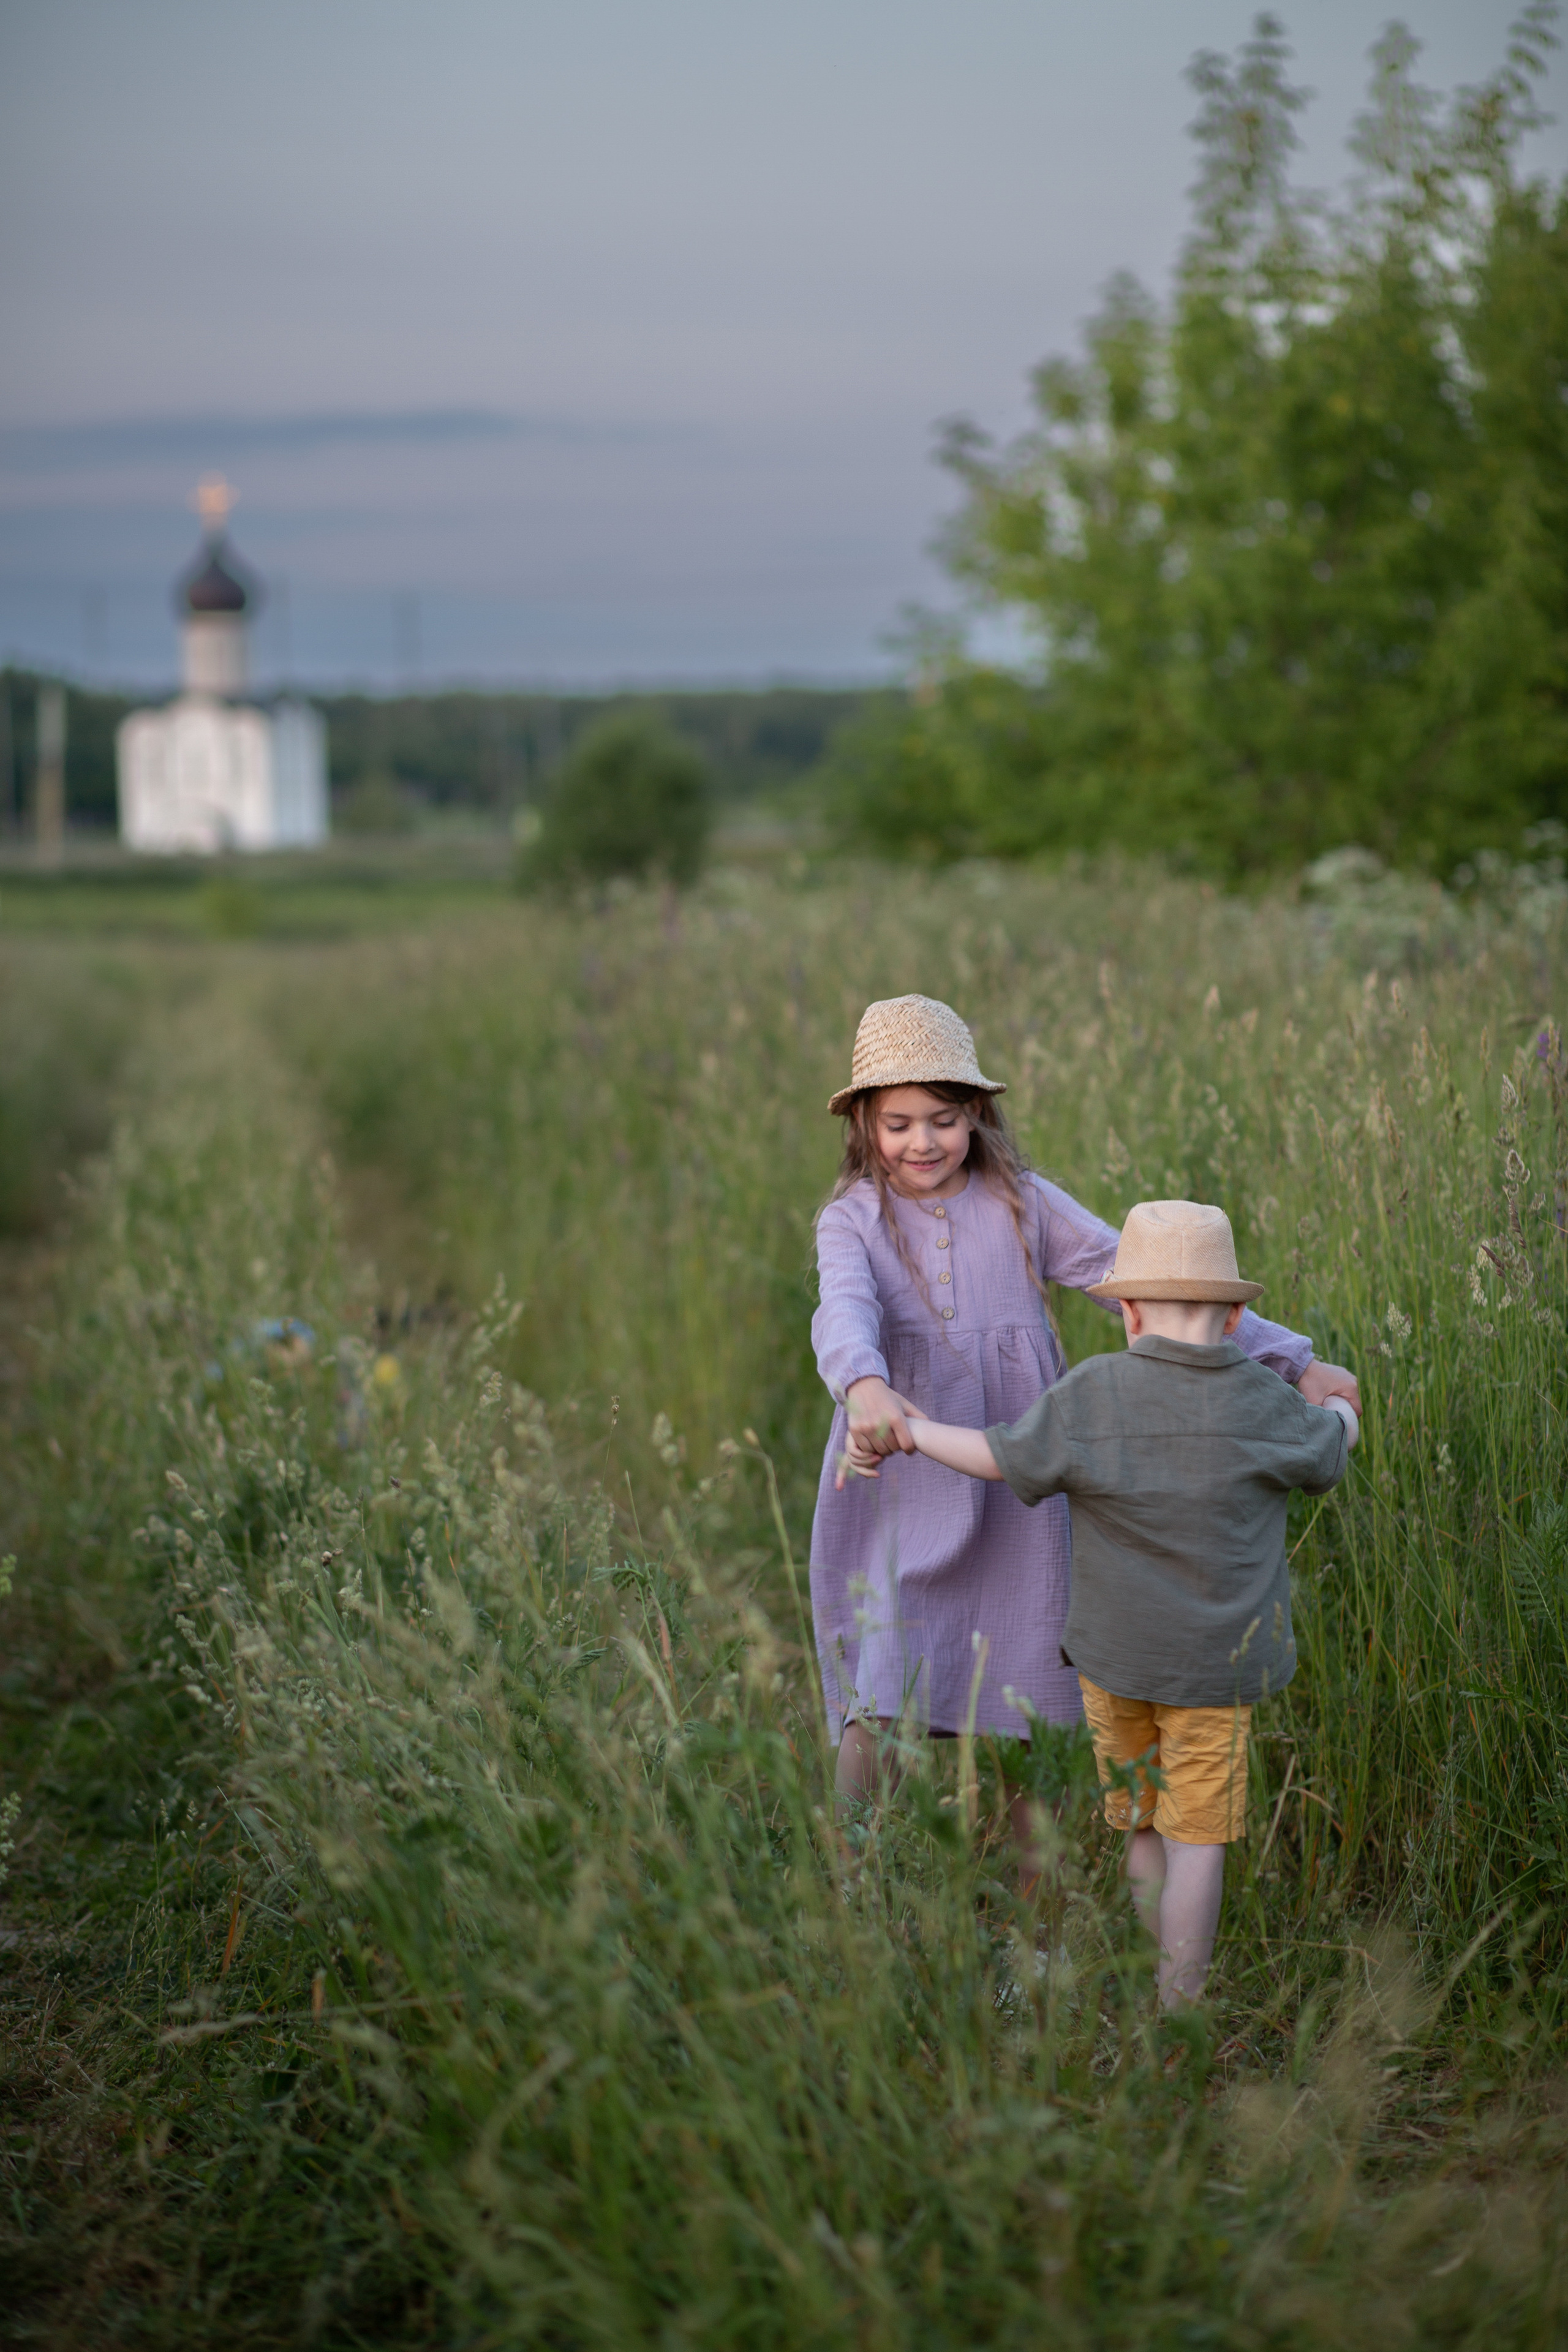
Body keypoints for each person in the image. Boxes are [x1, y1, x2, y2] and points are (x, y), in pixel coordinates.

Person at [810, 994, 1361, 1842]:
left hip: (1026, 1477)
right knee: (886, 1680)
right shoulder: (852, 1221)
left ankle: (1038, 1923)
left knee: (1033, 1690)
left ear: (977, 1116)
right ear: (864, 1128)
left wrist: (1290, 1358)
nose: (923, 1142)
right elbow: (841, 1311)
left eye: (944, 1120)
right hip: (906, 1466)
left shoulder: (1022, 1201)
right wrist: (863, 1387)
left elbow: (1139, 1274)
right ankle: (846, 1876)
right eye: (899, 1124)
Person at [843, 1197, 1359, 2007]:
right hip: (1214, 1674)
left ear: (1125, 1312)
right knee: (1200, 1843)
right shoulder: (1265, 1404)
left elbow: (994, 1456)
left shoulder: (1092, 1397)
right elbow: (1330, 1452)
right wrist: (1341, 1407)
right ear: (1233, 1321)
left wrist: (913, 1432)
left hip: (1112, 1666)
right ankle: (1175, 2015)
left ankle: (1148, 1970)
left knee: (1144, 1825)